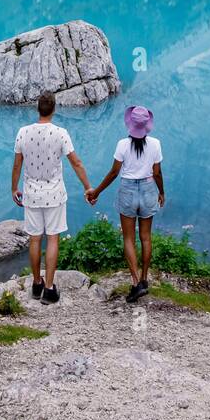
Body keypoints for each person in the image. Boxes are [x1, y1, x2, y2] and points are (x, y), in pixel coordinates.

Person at [12, 91, 93, 304]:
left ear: (37, 108)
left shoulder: (23, 132)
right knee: (53, 239)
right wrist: (88, 187)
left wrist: (14, 188)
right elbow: (76, 163)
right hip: (55, 195)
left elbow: (17, 164)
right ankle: (49, 289)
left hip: (31, 194)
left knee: (35, 239)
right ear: (54, 109)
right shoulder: (60, 133)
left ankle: (36, 283)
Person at [86, 105, 164, 304]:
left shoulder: (122, 145)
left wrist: (96, 192)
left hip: (128, 190)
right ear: (147, 126)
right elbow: (157, 173)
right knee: (145, 237)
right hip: (148, 189)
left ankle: (136, 282)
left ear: (130, 125)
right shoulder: (155, 144)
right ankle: (145, 280)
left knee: (128, 238)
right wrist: (161, 192)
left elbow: (114, 173)